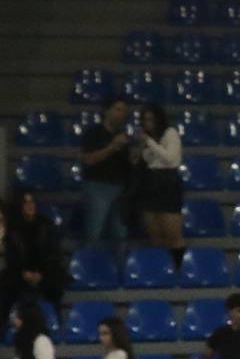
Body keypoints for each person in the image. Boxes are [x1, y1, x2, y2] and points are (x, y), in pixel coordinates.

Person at [132, 102, 186, 267]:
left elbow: (170, 159)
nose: (148, 123)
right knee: (154, 233)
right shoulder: (148, 139)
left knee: (172, 234)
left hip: (167, 182)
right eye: (145, 120)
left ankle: (178, 267)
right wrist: (141, 147)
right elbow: (143, 161)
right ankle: (161, 268)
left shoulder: (170, 133)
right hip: (150, 182)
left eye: (151, 119)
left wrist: (149, 142)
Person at [77, 95, 134, 251]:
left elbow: (128, 164)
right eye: (118, 109)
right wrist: (112, 147)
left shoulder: (123, 136)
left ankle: (119, 265)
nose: (122, 114)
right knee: (94, 232)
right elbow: (88, 159)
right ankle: (89, 263)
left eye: (124, 111)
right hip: (98, 186)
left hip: (120, 188)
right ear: (106, 111)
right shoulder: (93, 134)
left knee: (121, 234)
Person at [2, 189, 68, 319]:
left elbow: (54, 253)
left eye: (32, 202)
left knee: (55, 282)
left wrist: (41, 274)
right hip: (20, 272)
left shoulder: (46, 225)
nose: (30, 205)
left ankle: (56, 320)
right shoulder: (12, 228)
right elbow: (11, 257)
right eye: (26, 202)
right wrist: (23, 273)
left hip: (45, 271)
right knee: (6, 285)